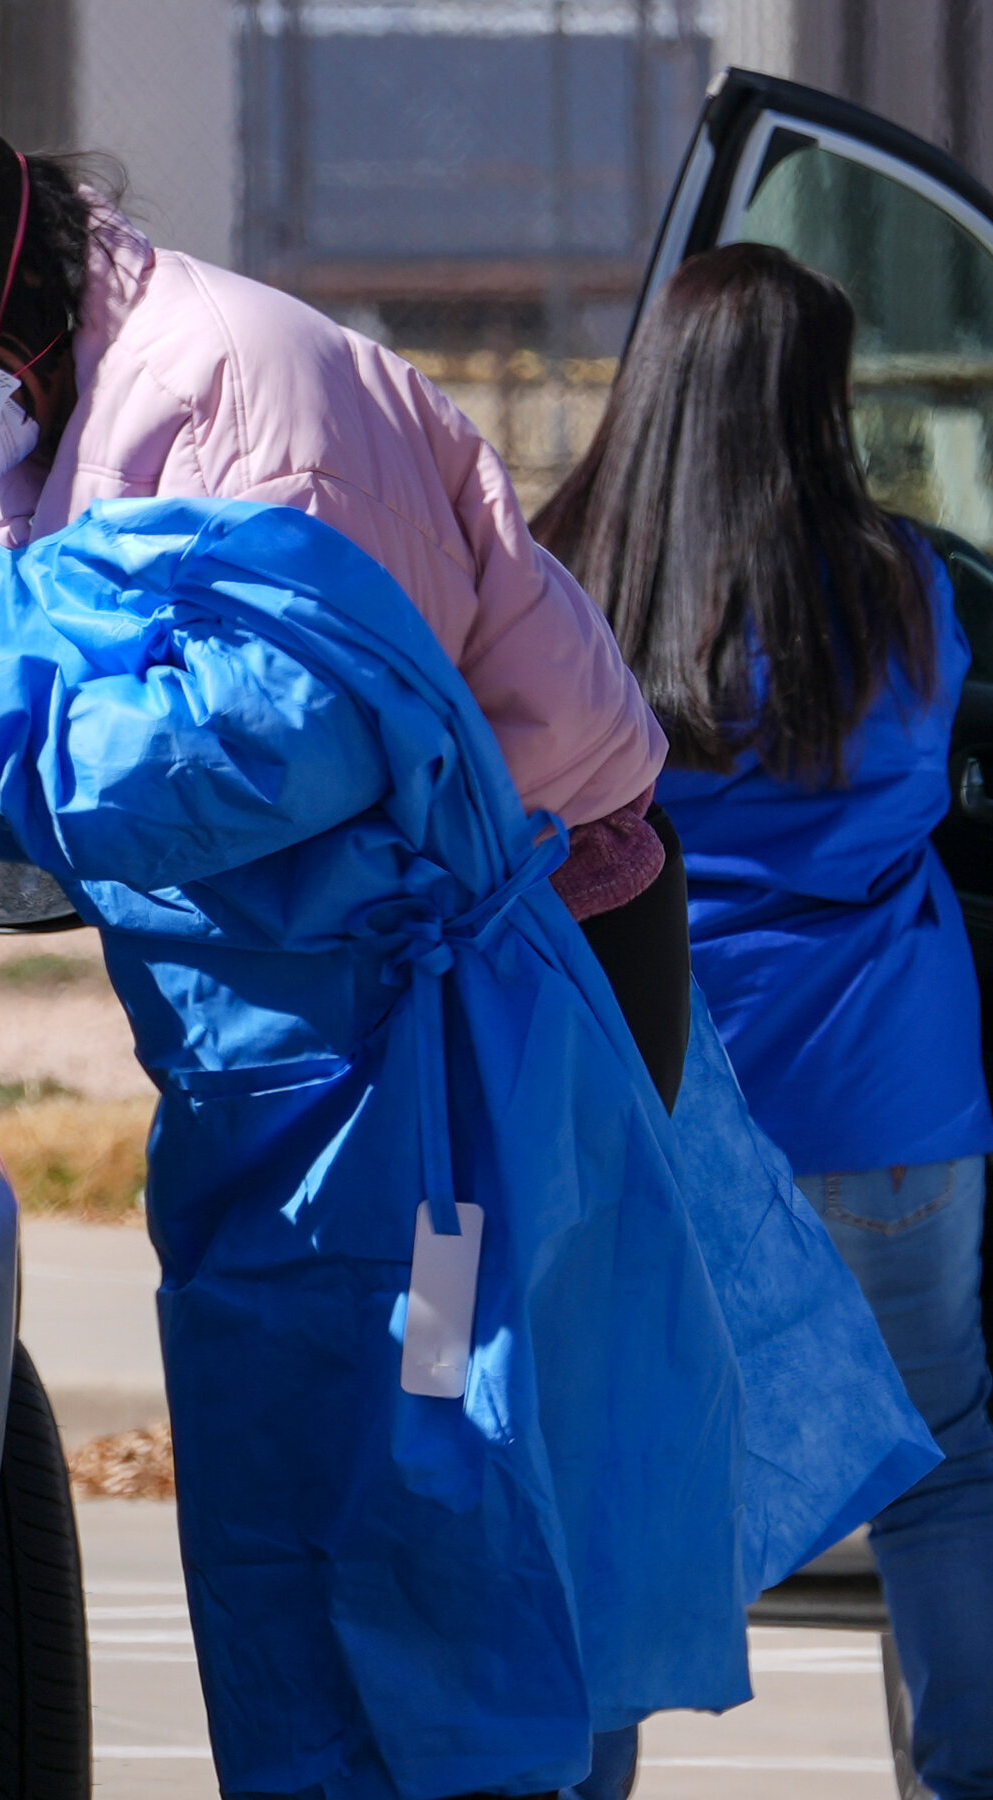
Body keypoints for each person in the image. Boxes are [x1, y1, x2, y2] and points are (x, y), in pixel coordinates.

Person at [0, 116, 935, 1800]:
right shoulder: (45, 419)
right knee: (313, 1483)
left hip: (463, 1042)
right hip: (293, 1055)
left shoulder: (248, 392)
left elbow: (283, 737)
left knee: (465, 1453)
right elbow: (68, 662)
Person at [534, 240, 993, 1800]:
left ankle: (584, 1779)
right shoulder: (899, 586)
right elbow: (926, 780)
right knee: (942, 1456)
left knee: (614, 1463)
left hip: (643, 1089)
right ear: (822, 402)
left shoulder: (564, 578)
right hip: (882, 1093)